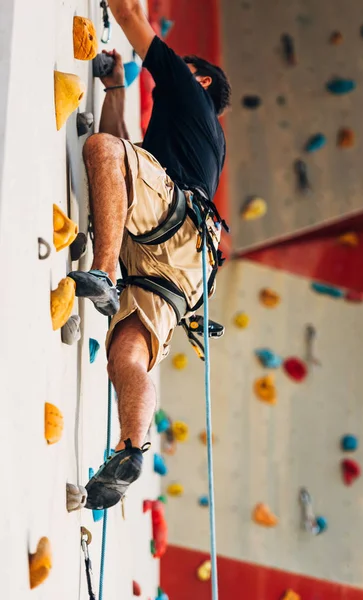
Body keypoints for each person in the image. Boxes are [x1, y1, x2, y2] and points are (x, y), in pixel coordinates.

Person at [68, 0, 231, 510]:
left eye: (186, 69)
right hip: (186, 263)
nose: (176, 69)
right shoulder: (190, 138)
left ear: (200, 80)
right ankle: (132, 447)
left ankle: (103, 272)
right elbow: (122, 166)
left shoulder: (193, 96)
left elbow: (132, 19)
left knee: (100, 151)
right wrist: (116, 89)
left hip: (175, 224)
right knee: (129, 354)